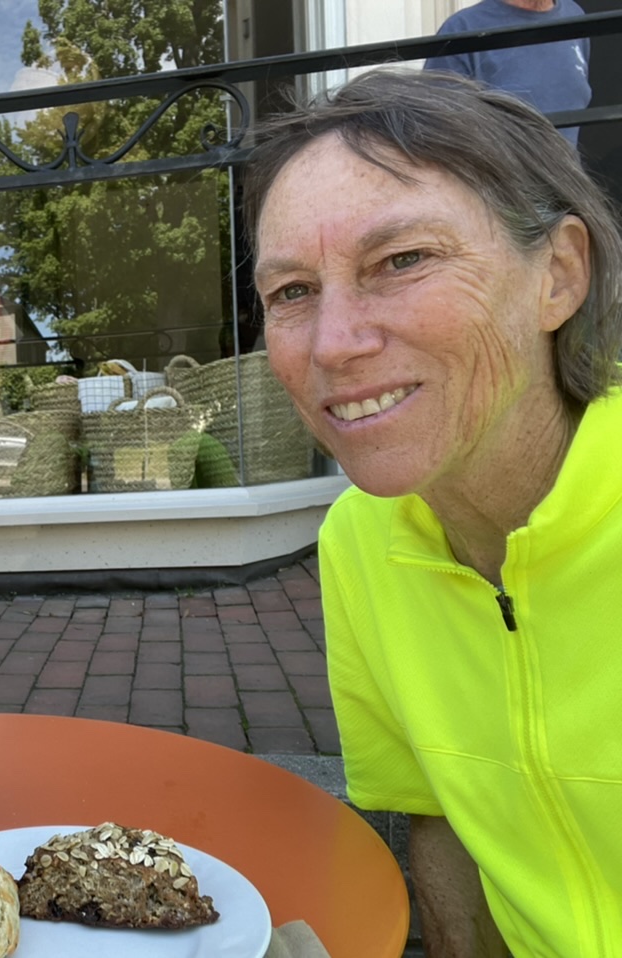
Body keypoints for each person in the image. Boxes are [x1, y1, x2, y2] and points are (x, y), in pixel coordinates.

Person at [244, 69, 622, 955]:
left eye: (402, 261)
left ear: (559, 276)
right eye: (293, 292)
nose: (336, 343)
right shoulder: (360, 543)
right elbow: (438, 821)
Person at [424, 0, 591, 145]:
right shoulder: (461, 29)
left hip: (566, 178)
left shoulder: (574, 15)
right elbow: (440, 132)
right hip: (500, 180)